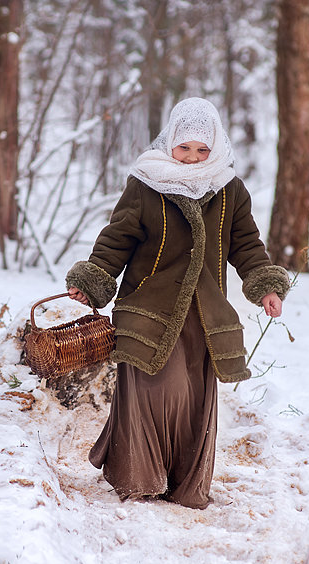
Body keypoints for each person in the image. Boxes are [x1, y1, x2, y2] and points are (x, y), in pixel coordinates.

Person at [65, 97, 289, 509]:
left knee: (191, 400)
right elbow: (118, 238)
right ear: (169, 142)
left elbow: (247, 246)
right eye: (184, 147)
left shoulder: (229, 189)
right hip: (148, 308)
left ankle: (186, 484)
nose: (191, 158)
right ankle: (139, 477)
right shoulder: (146, 183)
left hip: (203, 315)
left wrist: (265, 286)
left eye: (202, 150)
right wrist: (94, 280)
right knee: (155, 389)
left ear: (216, 148)